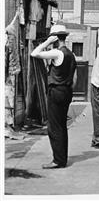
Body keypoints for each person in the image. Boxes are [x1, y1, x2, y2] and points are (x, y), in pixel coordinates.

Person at [31, 24, 77, 169]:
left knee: (54, 128)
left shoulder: (57, 53)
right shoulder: (71, 54)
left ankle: (58, 160)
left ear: (55, 38)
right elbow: (75, 78)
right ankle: (62, 158)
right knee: (62, 126)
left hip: (56, 91)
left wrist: (46, 43)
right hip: (67, 91)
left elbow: (34, 53)